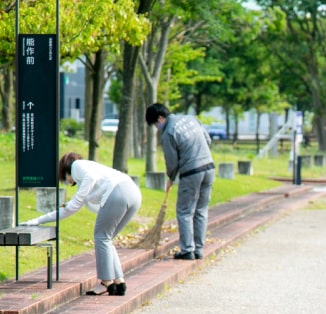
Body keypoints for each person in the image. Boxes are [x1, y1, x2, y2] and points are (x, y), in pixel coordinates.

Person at [19, 152, 142, 296]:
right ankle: (119, 282)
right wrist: (37, 221)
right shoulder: (89, 176)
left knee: (101, 236)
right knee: (106, 239)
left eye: (65, 179)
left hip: (118, 192)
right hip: (133, 193)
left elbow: (89, 179)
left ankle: (106, 282)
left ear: (65, 170)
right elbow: (69, 209)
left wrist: (79, 197)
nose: (67, 182)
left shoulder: (76, 165)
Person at [145, 103, 216, 260]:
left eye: (156, 124)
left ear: (160, 118)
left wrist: (171, 178)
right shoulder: (191, 119)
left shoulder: (169, 132)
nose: (157, 127)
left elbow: (172, 162)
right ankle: (199, 249)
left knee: (184, 211)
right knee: (201, 210)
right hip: (209, 168)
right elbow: (208, 140)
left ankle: (187, 250)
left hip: (191, 172)